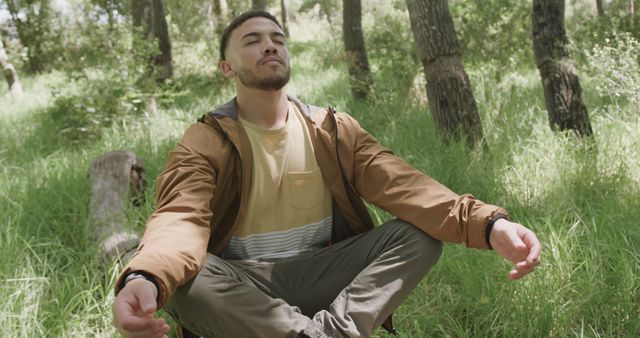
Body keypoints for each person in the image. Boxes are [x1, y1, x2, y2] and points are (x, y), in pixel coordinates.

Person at [112, 10, 541, 338]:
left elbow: (405, 186)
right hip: (246, 284)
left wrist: (489, 224)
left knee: (419, 233)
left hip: (324, 270)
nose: (270, 46)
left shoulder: (332, 129)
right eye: (253, 40)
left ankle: (330, 331)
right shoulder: (206, 139)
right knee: (187, 282)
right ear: (227, 68)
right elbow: (180, 217)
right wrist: (144, 275)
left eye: (278, 39)